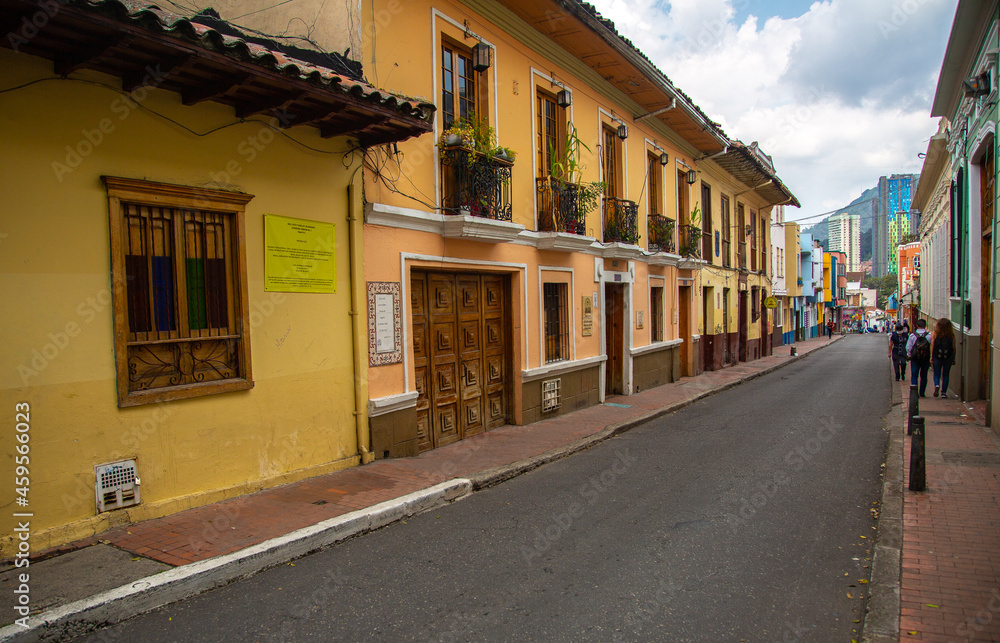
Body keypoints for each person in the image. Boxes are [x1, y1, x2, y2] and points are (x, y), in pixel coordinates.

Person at [906, 319, 932, 397]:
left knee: (914, 375)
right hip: (925, 358)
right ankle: (922, 392)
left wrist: (909, 355)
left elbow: (908, 347)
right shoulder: (929, 335)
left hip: (915, 358)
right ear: (925, 326)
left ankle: (914, 392)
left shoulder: (912, 335)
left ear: (917, 325)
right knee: (924, 375)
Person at [931, 317, 956, 398]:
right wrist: (953, 358)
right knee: (946, 374)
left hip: (937, 356)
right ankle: (944, 393)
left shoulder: (935, 333)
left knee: (936, 373)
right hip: (948, 357)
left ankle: (937, 384)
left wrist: (931, 357)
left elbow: (932, 345)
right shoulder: (951, 335)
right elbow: (953, 347)